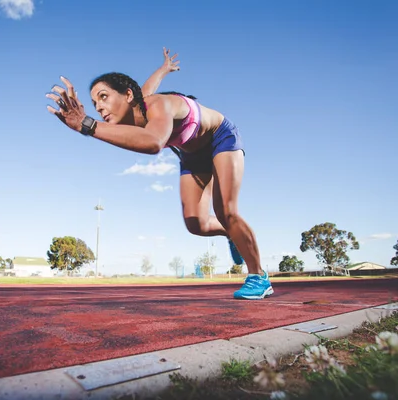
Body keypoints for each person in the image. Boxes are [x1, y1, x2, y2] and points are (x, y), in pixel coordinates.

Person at [46, 49, 273, 300]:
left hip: (220, 138)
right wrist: (164, 68)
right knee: (195, 223)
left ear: (128, 95)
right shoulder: (133, 109)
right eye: (94, 103)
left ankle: (259, 277)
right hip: (192, 155)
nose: (99, 107)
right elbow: (148, 86)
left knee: (225, 210)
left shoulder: (159, 104)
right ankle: (233, 234)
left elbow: (153, 142)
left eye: (103, 97)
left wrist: (87, 125)